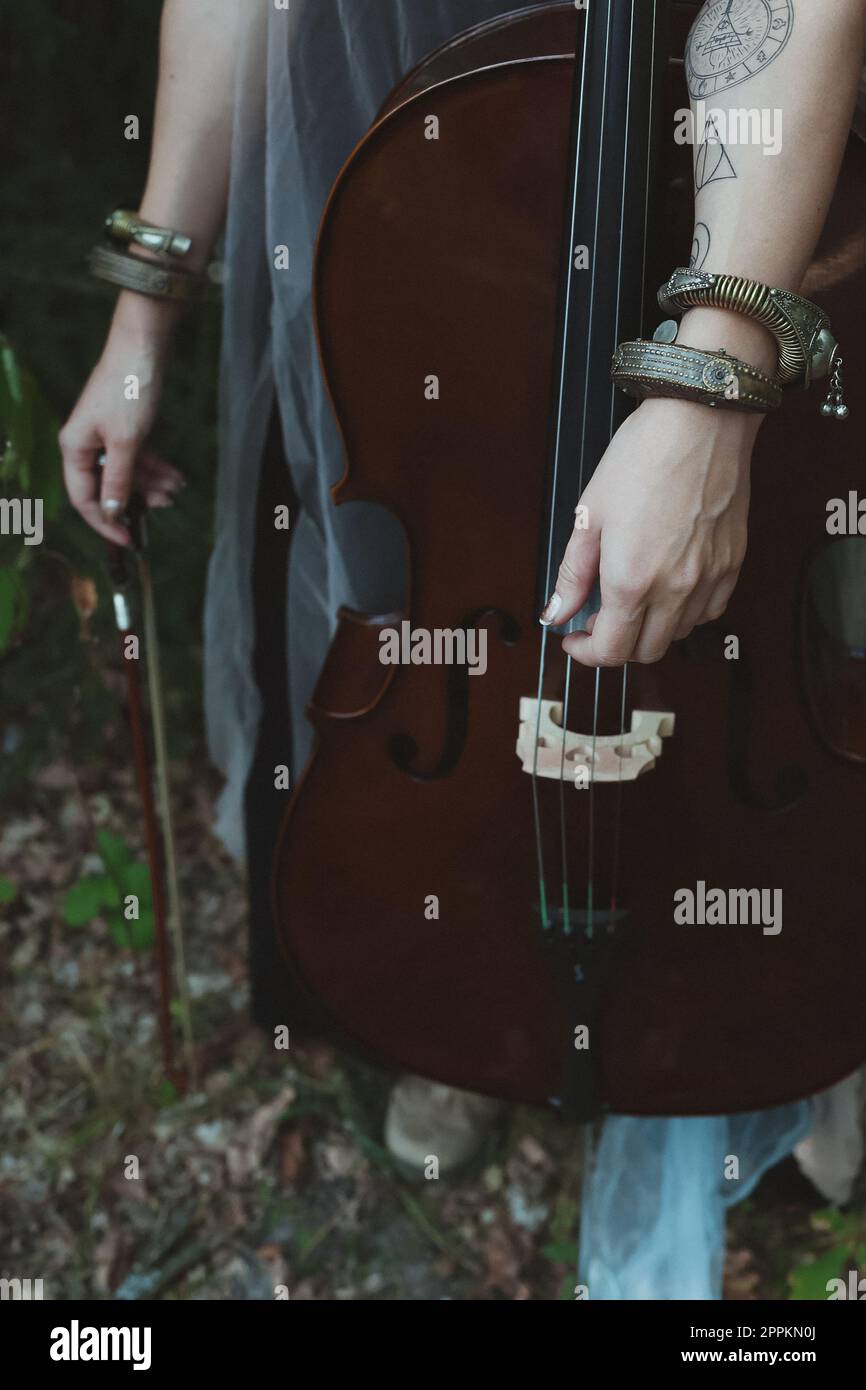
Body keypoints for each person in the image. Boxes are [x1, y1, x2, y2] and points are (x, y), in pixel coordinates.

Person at [59, 1, 866, 1295]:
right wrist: (147, 303)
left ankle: (803, 1000)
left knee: (798, 556)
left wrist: (712, 392)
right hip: (406, 138)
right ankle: (478, 973)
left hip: (761, 138)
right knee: (440, 523)